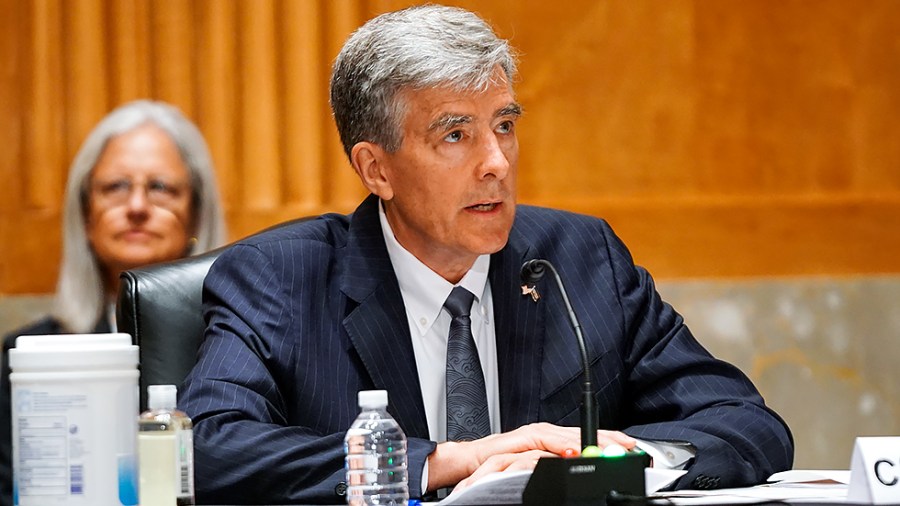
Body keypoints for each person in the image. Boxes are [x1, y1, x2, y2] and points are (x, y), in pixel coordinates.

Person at [180, 5, 793, 504]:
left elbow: (745, 423)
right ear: (376, 169)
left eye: (503, 125)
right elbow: (205, 448)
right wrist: (450, 461)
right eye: (455, 135)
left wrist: (625, 459)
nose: (496, 163)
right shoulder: (281, 278)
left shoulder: (582, 260)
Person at [0, 99, 227, 506]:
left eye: (160, 187)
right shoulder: (27, 357)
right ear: (85, 216)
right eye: (115, 187)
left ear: (195, 214)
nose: (137, 207)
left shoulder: (238, 345)